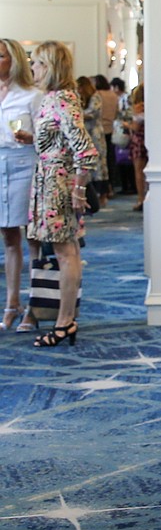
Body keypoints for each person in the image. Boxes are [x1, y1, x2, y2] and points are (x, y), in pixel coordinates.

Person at [23, 41, 98, 347]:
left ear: (51, 67)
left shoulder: (62, 98)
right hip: (50, 179)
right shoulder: (54, 97)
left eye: (38, 63)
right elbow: (61, 140)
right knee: (68, 252)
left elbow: (85, 150)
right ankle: (65, 320)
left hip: (58, 185)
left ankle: (65, 322)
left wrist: (78, 190)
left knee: (66, 253)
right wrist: (33, 139)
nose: (33, 68)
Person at [0, 38, 42, 332]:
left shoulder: (31, 95)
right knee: (7, 235)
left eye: (0, 56)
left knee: (33, 236)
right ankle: (11, 303)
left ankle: (34, 304)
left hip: (24, 164)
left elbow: (47, 138)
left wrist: (30, 138)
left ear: (13, 60)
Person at [77, 75, 109, 205]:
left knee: (99, 164)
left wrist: (76, 114)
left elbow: (92, 113)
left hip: (95, 134)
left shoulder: (95, 97)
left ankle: (102, 194)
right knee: (87, 164)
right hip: (85, 133)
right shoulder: (80, 98)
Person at [94, 73, 119, 197]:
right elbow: (117, 112)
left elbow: (95, 112)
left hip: (98, 130)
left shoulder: (97, 95)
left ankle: (102, 188)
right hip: (110, 128)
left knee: (101, 160)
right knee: (110, 158)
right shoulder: (114, 95)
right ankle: (111, 186)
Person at [128, 83, 147, 211]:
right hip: (150, 138)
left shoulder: (138, 107)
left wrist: (126, 125)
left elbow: (135, 127)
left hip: (139, 140)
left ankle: (141, 198)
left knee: (139, 171)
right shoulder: (153, 106)